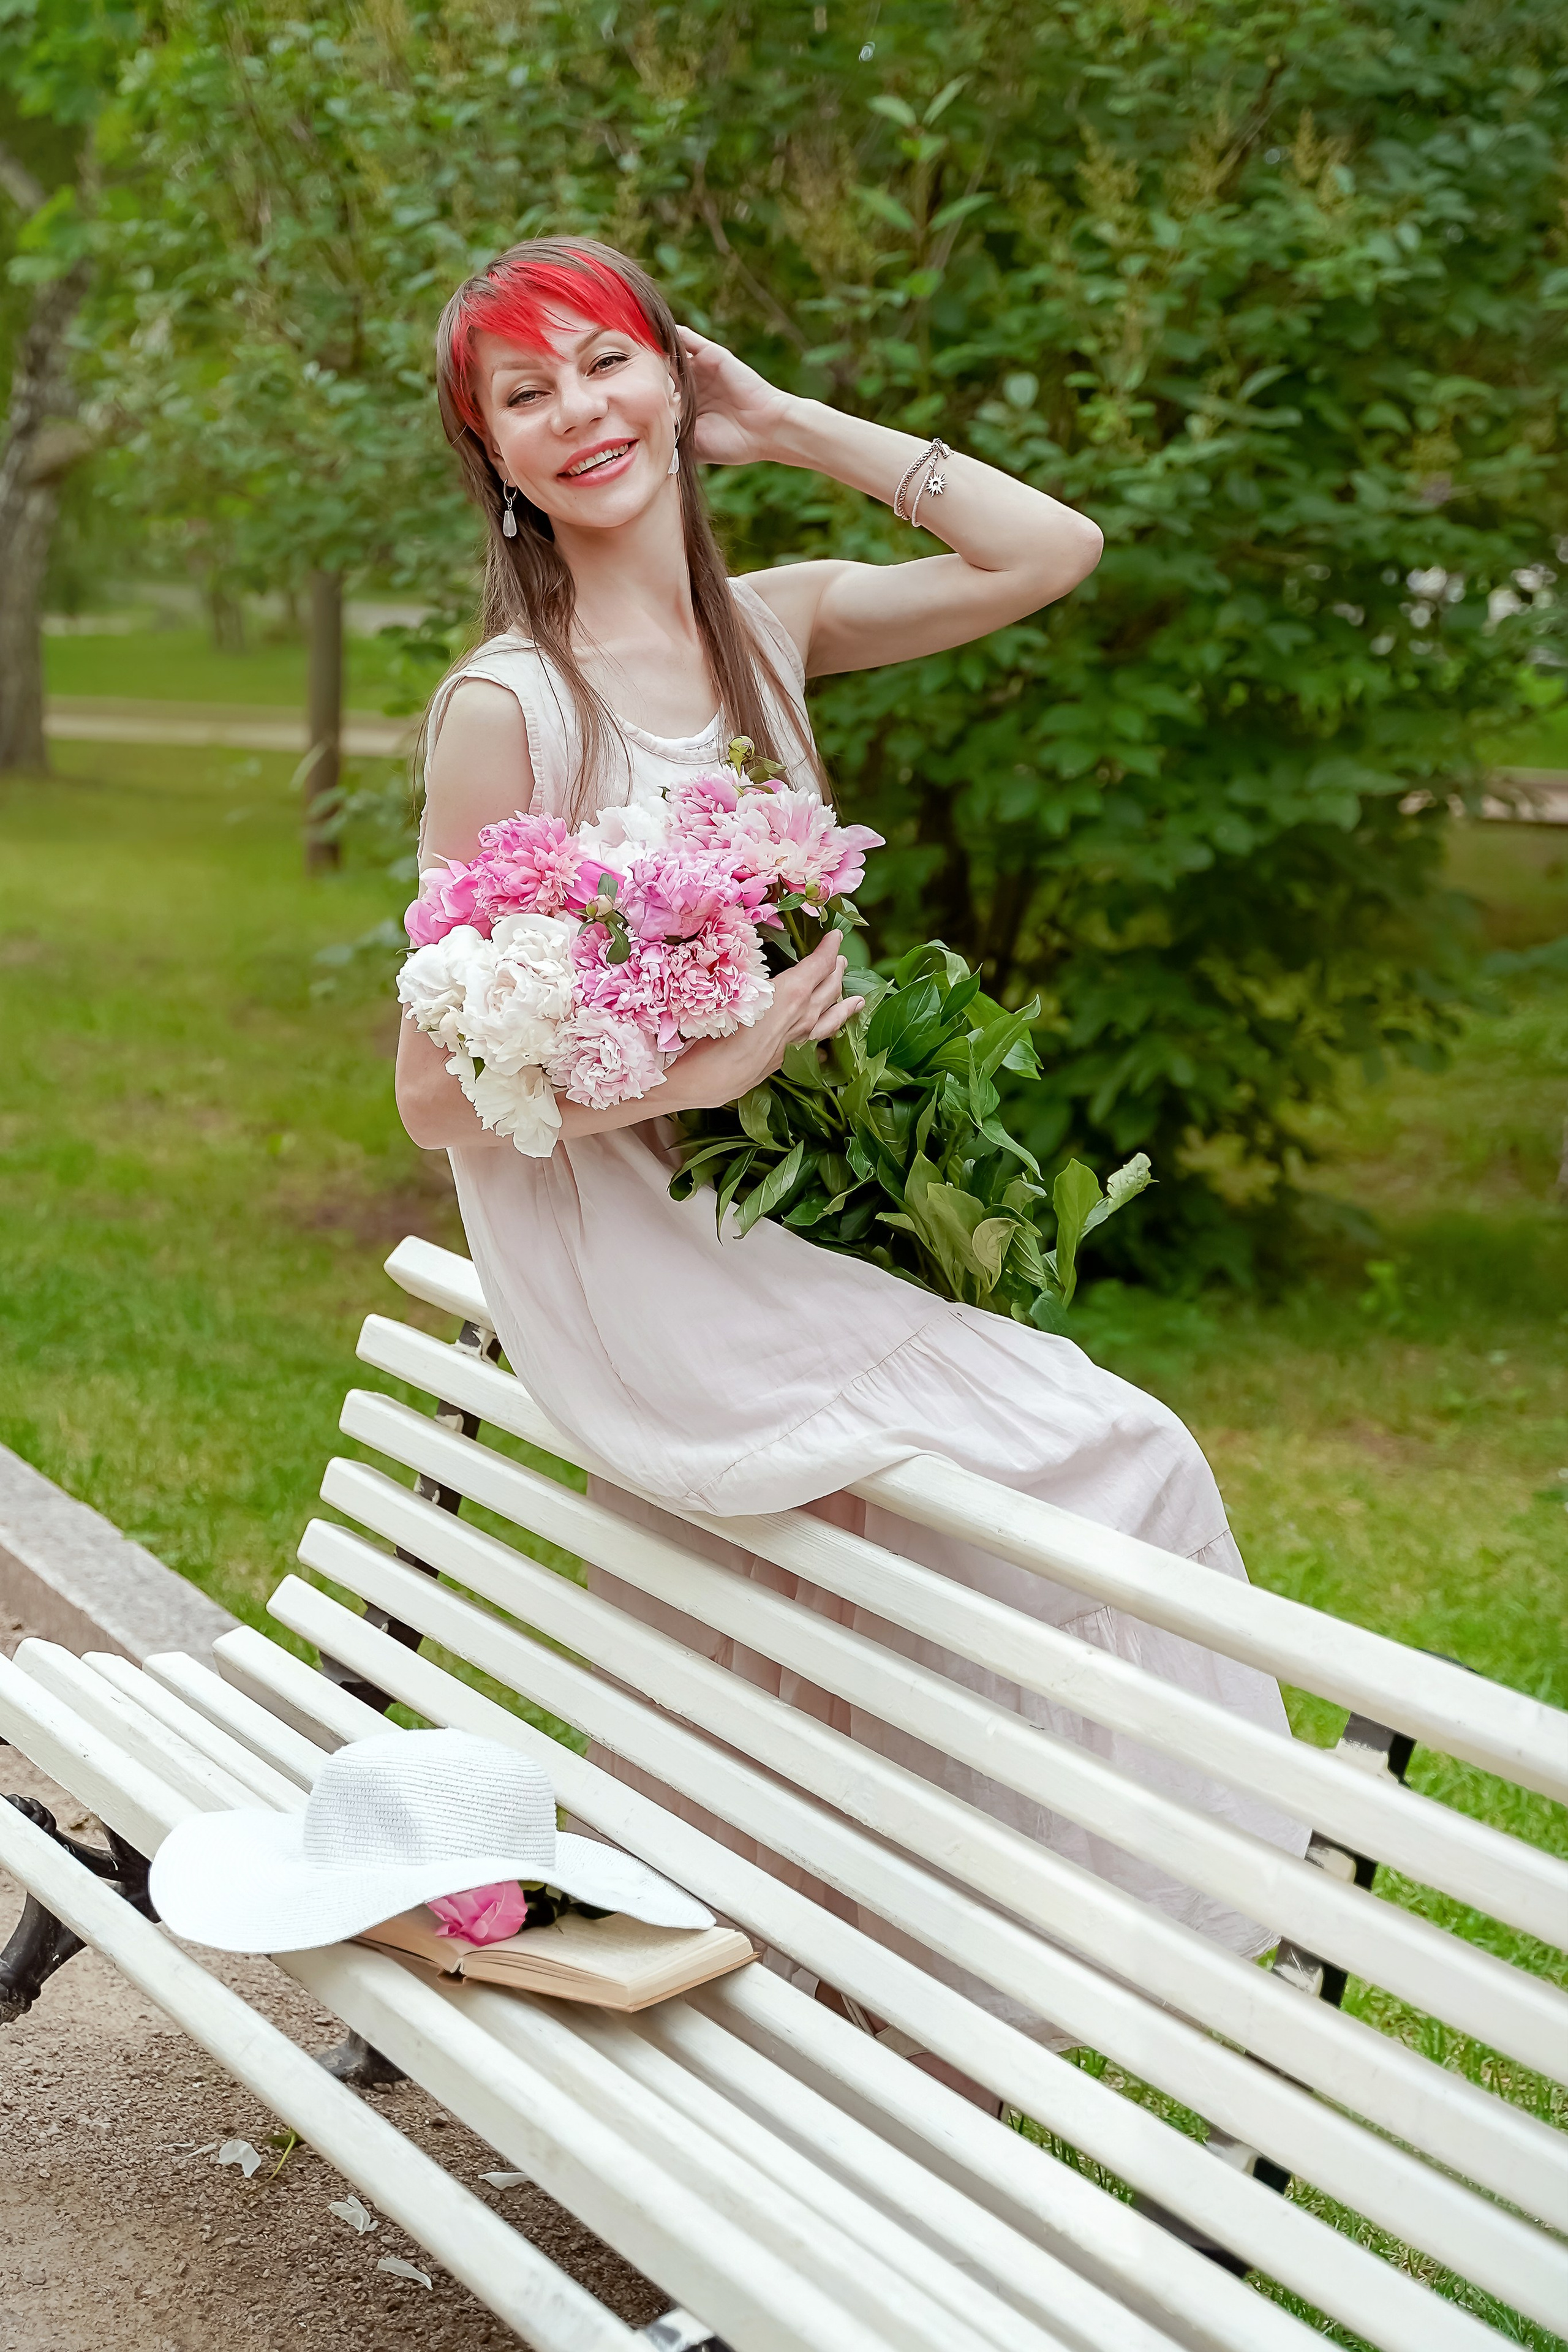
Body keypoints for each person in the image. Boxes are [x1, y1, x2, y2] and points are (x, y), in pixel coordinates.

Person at [395, 238, 1307, 2106]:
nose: (580, 414)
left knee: (870, 1621)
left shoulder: (775, 628)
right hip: (644, 1259)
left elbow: (1051, 554)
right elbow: (427, 1093)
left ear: (674, 378)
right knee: (1113, 1447)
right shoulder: (515, 709)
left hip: (781, 1221)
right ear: (489, 452)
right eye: (527, 393)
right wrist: (704, 1061)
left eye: (607, 365)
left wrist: (788, 424)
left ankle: (892, 2045)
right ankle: (1183, 1947)